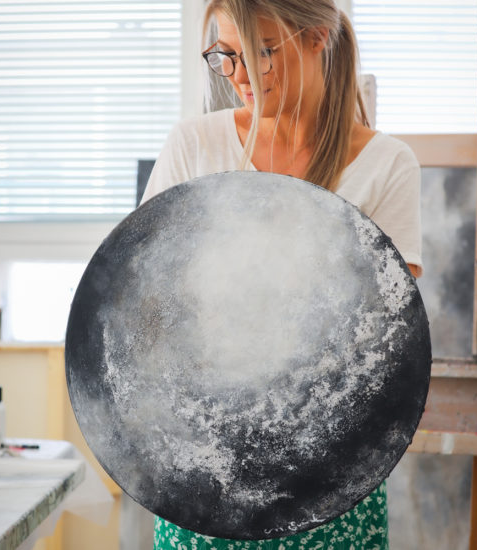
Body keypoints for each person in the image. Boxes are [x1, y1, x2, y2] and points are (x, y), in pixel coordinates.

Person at [141, 0, 422, 548]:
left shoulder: (386, 165)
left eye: (262, 52)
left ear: (317, 37)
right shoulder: (195, 146)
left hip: (332, 471)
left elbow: (386, 342)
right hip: (204, 470)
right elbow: (145, 305)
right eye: (226, 55)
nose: (240, 76)